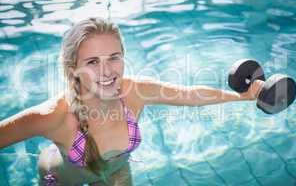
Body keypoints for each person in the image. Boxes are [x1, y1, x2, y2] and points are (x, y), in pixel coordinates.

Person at [0, 17, 264, 186]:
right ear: (72, 69)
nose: (107, 71)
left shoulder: (135, 92)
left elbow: (191, 95)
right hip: (61, 179)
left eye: (114, 57)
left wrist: (243, 96)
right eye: (92, 62)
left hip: (116, 171)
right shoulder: (54, 116)